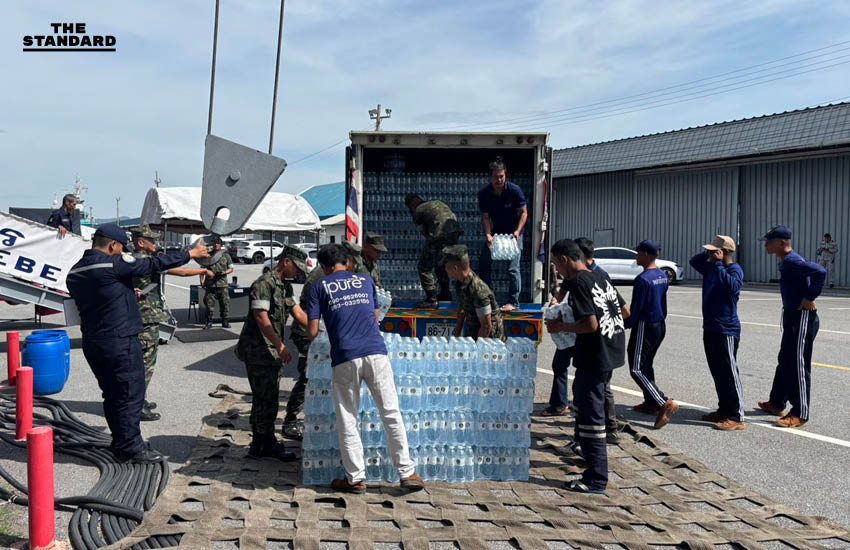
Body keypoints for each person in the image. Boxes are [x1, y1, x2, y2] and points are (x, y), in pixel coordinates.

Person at [66, 224, 209, 463]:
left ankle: (121, 443)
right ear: (113, 245)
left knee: (112, 395)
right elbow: (153, 264)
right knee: (130, 395)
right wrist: (190, 254)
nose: (122, 253)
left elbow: (101, 297)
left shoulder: (75, 271)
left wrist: (126, 296)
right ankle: (132, 449)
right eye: (121, 249)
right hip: (119, 342)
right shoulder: (112, 264)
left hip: (94, 342)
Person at [306, 244, 424, 493]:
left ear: (324, 267)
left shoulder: (319, 287)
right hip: (376, 352)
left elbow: (313, 331)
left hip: (345, 356)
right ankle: (407, 473)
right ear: (347, 262)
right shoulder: (365, 280)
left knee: (348, 417)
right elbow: (376, 315)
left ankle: (356, 478)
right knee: (391, 412)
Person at [545, 239, 628, 495]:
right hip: (610, 352)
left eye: (556, 265)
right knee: (587, 407)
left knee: (591, 416)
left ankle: (596, 479)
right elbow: (625, 311)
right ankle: (587, 456)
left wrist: (562, 327)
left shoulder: (580, 283)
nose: (557, 271)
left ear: (564, 260)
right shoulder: (599, 278)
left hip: (595, 356)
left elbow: (590, 325)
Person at [131, 226, 213, 421]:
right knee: (144, 364)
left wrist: (201, 269)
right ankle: (136, 405)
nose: (156, 244)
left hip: (145, 318)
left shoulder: (140, 261)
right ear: (141, 242)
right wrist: (196, 260)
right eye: (152, 240)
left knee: (143, 363)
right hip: (145, 319)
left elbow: (180, 271)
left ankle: (139, 400)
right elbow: (178, 269)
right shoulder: (142, 261)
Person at [234, 245, 308, 460]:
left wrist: (318, 333)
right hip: (258, 350)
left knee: (269, 398)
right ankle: (263, 443)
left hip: (270, 351)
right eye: (296, 267)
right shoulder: (264, 284)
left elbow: (298, 313)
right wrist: (279, 345)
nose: (298, 272)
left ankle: (261, 443)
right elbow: (261, 317)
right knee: (265, 398)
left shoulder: (285, 287)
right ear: (286, 261)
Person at [284, 244, 363, 441]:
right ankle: (290, 420)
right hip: (308, 330)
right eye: (350, 263)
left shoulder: (336, 275)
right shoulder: (320, 278)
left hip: (325, 331)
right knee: (309, 375)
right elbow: (309, 312)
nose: (351, 267)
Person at [758, 225, 826, 429]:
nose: (766, 245)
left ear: (781, 243)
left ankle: (800, 413)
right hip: (791, 315)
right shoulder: (787, 261)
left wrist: (809, 297)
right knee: (785, 359)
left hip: (801, 317)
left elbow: (821, 272)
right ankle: (777, 402)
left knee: (797, 364)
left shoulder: (793, 261)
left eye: (769, 242)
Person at [689, 235, 746, 431]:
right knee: (718, 372)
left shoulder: (733, 270)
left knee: (729, 372)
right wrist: (708, 255)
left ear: (726, 252)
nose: (712, 254)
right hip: (711, 326)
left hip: (726, 329)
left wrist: (720, 264)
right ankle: (724, 410)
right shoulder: (711, 267)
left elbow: (733, 289)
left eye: (715, 251)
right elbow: (694, 262)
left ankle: (737, 416)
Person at [626, 240, 678, 430]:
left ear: (647, 255)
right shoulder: (662, 275)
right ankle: (650, 402)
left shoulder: (643, 279)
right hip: (659, 324)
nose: (636, 256)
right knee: (646, 364)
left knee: (636, 367)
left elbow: (636, 308)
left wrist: (625, 324)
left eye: (638, 253)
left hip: (644, 326)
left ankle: (663, 402)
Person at [477, 157, 528, 312]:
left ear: (505, 175)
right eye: (496, 176)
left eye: (501, 176)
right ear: (490, 177)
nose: (499, 179)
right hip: (496, 234)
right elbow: (485, 218)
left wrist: (518, 232)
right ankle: (488, 299)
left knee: (513, 268)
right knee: (484, 264)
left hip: (513, 235)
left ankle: (514, 302)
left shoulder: (514, 190)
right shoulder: (484, 193)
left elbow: (524, 213)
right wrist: (488, 235)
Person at [404, 193, 463, 308]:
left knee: (424, 266)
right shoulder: (435, 203)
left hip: (439, 234)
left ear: (411, 206)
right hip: (455, 233)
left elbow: (425, 234)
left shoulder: (418, 211)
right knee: (441, 263)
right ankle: (445, 293)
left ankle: (431, 299)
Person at [442, 244, 506, 341]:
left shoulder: (478, 290)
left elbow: (486, 326)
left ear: (455, 268)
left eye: (446, 267)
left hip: (491, 342)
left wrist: (476, 350)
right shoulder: (460, 284)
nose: (445, 270)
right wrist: (456, 338)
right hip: (477, 334)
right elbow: (462, 311)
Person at [202, 237, 234, 329]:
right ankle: (208, 322)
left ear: (221, 245)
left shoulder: (226, 256)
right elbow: (203, 269)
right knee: (209, 305)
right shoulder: (208, 255)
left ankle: (225, 321)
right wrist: (202, 281)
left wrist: (224, 273)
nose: (216, 245)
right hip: (210, 284)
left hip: (222, 284)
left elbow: (231, 268)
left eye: (218, 244)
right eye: (215, 244)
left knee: (224, 304)